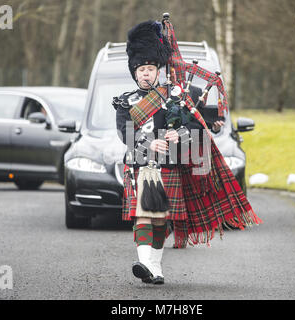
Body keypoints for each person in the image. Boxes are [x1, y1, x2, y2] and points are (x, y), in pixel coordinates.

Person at [113, 19, 261, 285]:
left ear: (158, 70)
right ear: (134, 73)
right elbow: (125, 133)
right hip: (141, 166)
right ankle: (145, 262)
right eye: (141, 69)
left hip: (169, 166)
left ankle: (154, 267)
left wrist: (176, 135)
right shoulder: (126, 102)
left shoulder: (176, 97)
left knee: (161, 221)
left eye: (150, 68)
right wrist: (149, 143)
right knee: (145, 216)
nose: (145, 73)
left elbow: (197, 128)